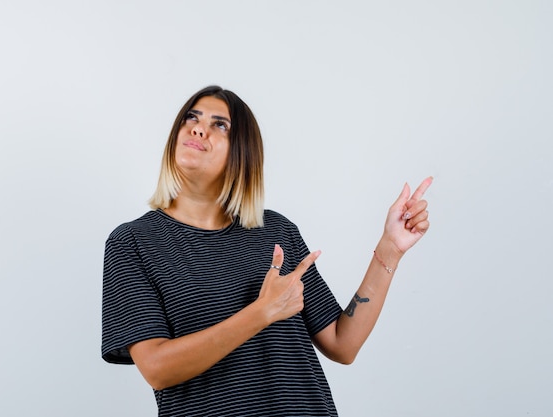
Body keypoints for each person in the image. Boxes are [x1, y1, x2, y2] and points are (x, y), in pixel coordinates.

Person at [101, 85, 432, 416]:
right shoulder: (133, 242)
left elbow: (342, 344)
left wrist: (389, 250)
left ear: (242, 152)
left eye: (220, 124)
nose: (198, 127)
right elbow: (157, 369)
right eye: (192, 117)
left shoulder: (276, 230)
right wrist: (261, 312)